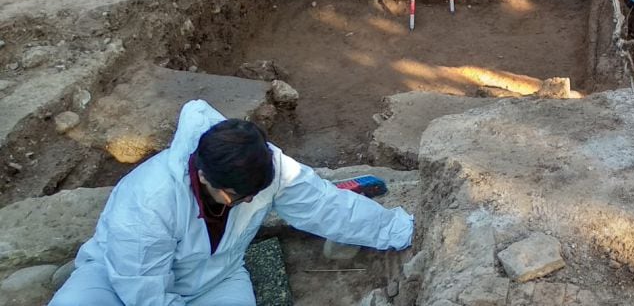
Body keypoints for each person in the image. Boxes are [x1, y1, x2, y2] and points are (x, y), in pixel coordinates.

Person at [50, 100, 413, 306]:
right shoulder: (148, 203)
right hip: (115, 282)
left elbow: (326, 207)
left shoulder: (265, 166)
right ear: (204, 176)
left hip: (215, 280)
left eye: (258, 191)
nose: (253, 201)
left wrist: (402, 229)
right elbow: (144, 291)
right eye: (241, 197)